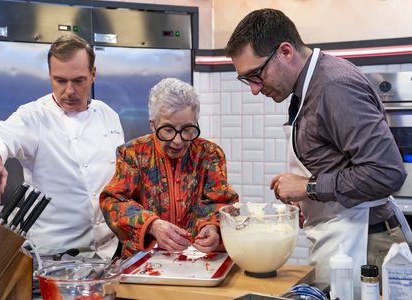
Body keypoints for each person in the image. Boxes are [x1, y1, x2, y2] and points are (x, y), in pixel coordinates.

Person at [225, 8, 411, 288]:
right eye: (247, 80)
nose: (254, 88)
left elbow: (387, 173)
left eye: (256, 75)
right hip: (344, 240)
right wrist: (307, 199)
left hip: (365, 248)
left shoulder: (334, 87)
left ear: (285, 51)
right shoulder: (306, 87)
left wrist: (309, 187)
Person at [0, 34, 124, 259]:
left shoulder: (109, 115)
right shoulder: (34, 116)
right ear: (50, 76)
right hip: (55, 257)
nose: (69, 90)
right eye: (60, 80)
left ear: (93, 74)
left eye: (78, 80)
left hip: (110, 252)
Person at [100, 78, 238, 257]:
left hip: (198, 256)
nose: (178, 140)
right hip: (145, 258)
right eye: (168, 130)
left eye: (188, 129)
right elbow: (113, 202)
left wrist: (212, 226)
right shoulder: (132, 154)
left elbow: (221, 201)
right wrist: (152, 225)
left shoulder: (209, 154)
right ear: (153, 124)